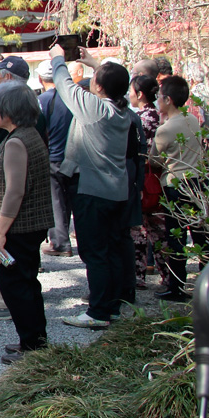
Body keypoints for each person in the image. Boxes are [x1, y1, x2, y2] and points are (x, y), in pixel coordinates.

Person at [49, 44, 134, 329]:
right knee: (111, 249)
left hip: (92, 191)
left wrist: (58, 58)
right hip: (116, 191)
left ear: (97, 86)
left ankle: (98, 313)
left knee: (94, 252)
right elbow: (116, 84)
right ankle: (113, 305)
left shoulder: (95, 110)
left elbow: (64, 85)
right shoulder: (123, 109)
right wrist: (95, 64)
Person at [0, 56, 47, 322]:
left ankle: (1, 302)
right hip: (32, 205)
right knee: (25, 269)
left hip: (5, 190)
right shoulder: (34, 111)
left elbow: (13, 190)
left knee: (0, 252)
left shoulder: (16, 140)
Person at [0, 82, 53, 365]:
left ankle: (32, 346)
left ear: (9, 112)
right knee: (27, 282)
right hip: (32, 224)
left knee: (16, 286)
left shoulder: (16, 142)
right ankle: (34, 340)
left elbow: (15, 191)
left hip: (19, 227)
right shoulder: (31, 134)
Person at [149, 76, 203, 301]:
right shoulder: (192, 119)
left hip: (176, 185)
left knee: (176, 237)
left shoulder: (165, 129)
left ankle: (177, 285)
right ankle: (207, 279)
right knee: (201, 235)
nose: (157, 102)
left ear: (168, 100)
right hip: (198, 181)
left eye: (159, 98)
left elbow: (154, 160)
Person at [36, 61, 74, 257]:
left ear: (41, 79)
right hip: (74, 155)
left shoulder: (42, 100)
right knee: (72, 199)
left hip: (53, 155)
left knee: (56, 201)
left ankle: (60, 243)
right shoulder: (73, 98)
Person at [129, 74, 161, 289]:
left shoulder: (138, 118)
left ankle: (137, 275)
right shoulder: (159, 115)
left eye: (131, 91)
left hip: (142, 178)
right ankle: (168, 277)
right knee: (160, 232)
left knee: (138, 230)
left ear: (140, 94)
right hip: (157, 179)